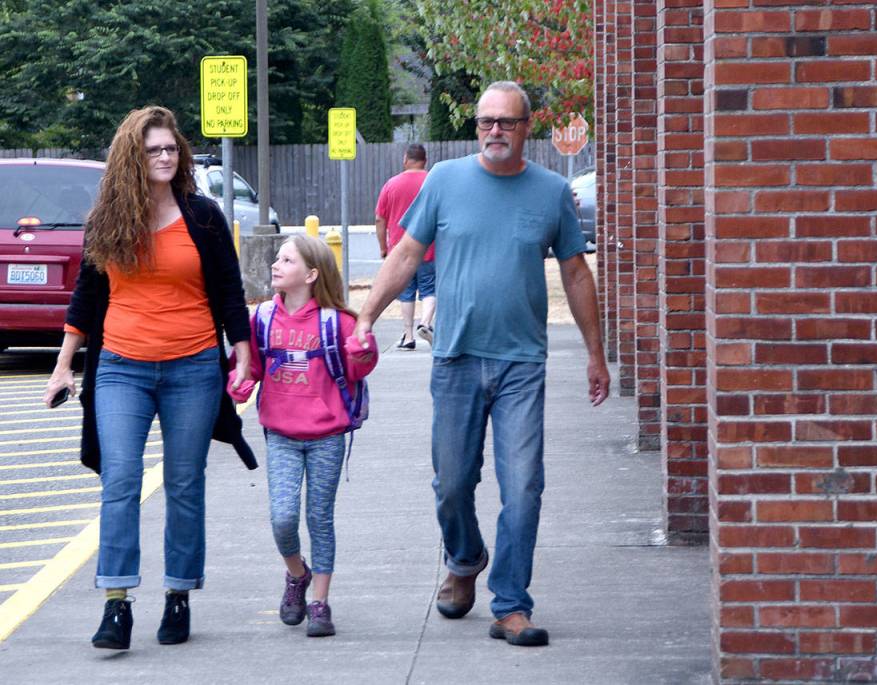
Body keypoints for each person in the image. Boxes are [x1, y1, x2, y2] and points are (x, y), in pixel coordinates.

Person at [354, 81, 610, 647]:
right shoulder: (444, 181)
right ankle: (465, 557)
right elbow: (406, 252)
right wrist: (366, 317)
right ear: (477, 128)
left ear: (526, 129)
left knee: (523, 488)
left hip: (521, 363)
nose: (495, 131)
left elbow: (575, 273)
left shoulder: (550, 192)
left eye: (507, 122)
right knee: (451, 485)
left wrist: (596, 354)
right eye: (486, 121)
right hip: (456, 359)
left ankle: (512, 603)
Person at [42, 106, 257, 650]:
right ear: (130, 158)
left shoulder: (203, 217)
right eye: (152, 150)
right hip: (120, 368)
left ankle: (178, 595)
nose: (164, 157)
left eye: (170, 149)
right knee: (120, 481)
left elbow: (230, 294)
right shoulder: (108, 222)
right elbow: (86, 299)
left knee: (185, 484)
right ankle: (116, 605)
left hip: (193, 367)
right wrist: (64, 364)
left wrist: (243, 354)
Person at [228, 235, 379, 638]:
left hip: (327, 435)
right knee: (282, 518)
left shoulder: (337, 322)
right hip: (280, 434)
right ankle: (297, 574)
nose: (276, 265)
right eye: (277, 259)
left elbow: (359, 368)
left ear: (312, 274)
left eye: (287, 260)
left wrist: (362, 352)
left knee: (319, 517)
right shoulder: (260, 319)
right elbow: (249, 368)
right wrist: (239, 383)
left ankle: (320, 602)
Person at [374, 143, 434, 350]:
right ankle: (425, 323)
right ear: (425, 161)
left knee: (406, 292)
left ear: (405, 159)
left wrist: (383, 247)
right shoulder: (433, 181)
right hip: (430, 248)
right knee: (429, 289)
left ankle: (408, 336)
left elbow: (380, 219)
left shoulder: (391, 184)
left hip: (401, 250)